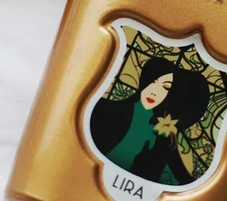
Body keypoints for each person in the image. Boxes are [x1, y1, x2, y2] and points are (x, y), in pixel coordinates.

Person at [90, 56, 210, 185]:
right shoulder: (105, 110)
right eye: (153, 82)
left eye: (165, 87)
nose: (154, 92)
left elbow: (179, 181)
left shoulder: (164, 136)